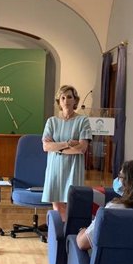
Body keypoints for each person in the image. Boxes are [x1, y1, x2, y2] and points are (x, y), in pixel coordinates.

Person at [76, 159, 133, 250]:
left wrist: (82, 230)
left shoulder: (112, 211)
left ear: (130, 183)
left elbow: (82, 243)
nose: (117, 180)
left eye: (120, 176)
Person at [41, 85, 92, 220]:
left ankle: (68, 233)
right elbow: (46, 147)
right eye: (62, 97)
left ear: (75, 100)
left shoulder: (83, 121)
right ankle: (59, 235)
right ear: (59, 101)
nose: (66, 100)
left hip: (73, 168)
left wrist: (57, 147)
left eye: (69, 97)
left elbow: (81, 148)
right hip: (55, 168)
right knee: (57, 206)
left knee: (71, 204)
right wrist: (67, 144)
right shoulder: (51, 122)